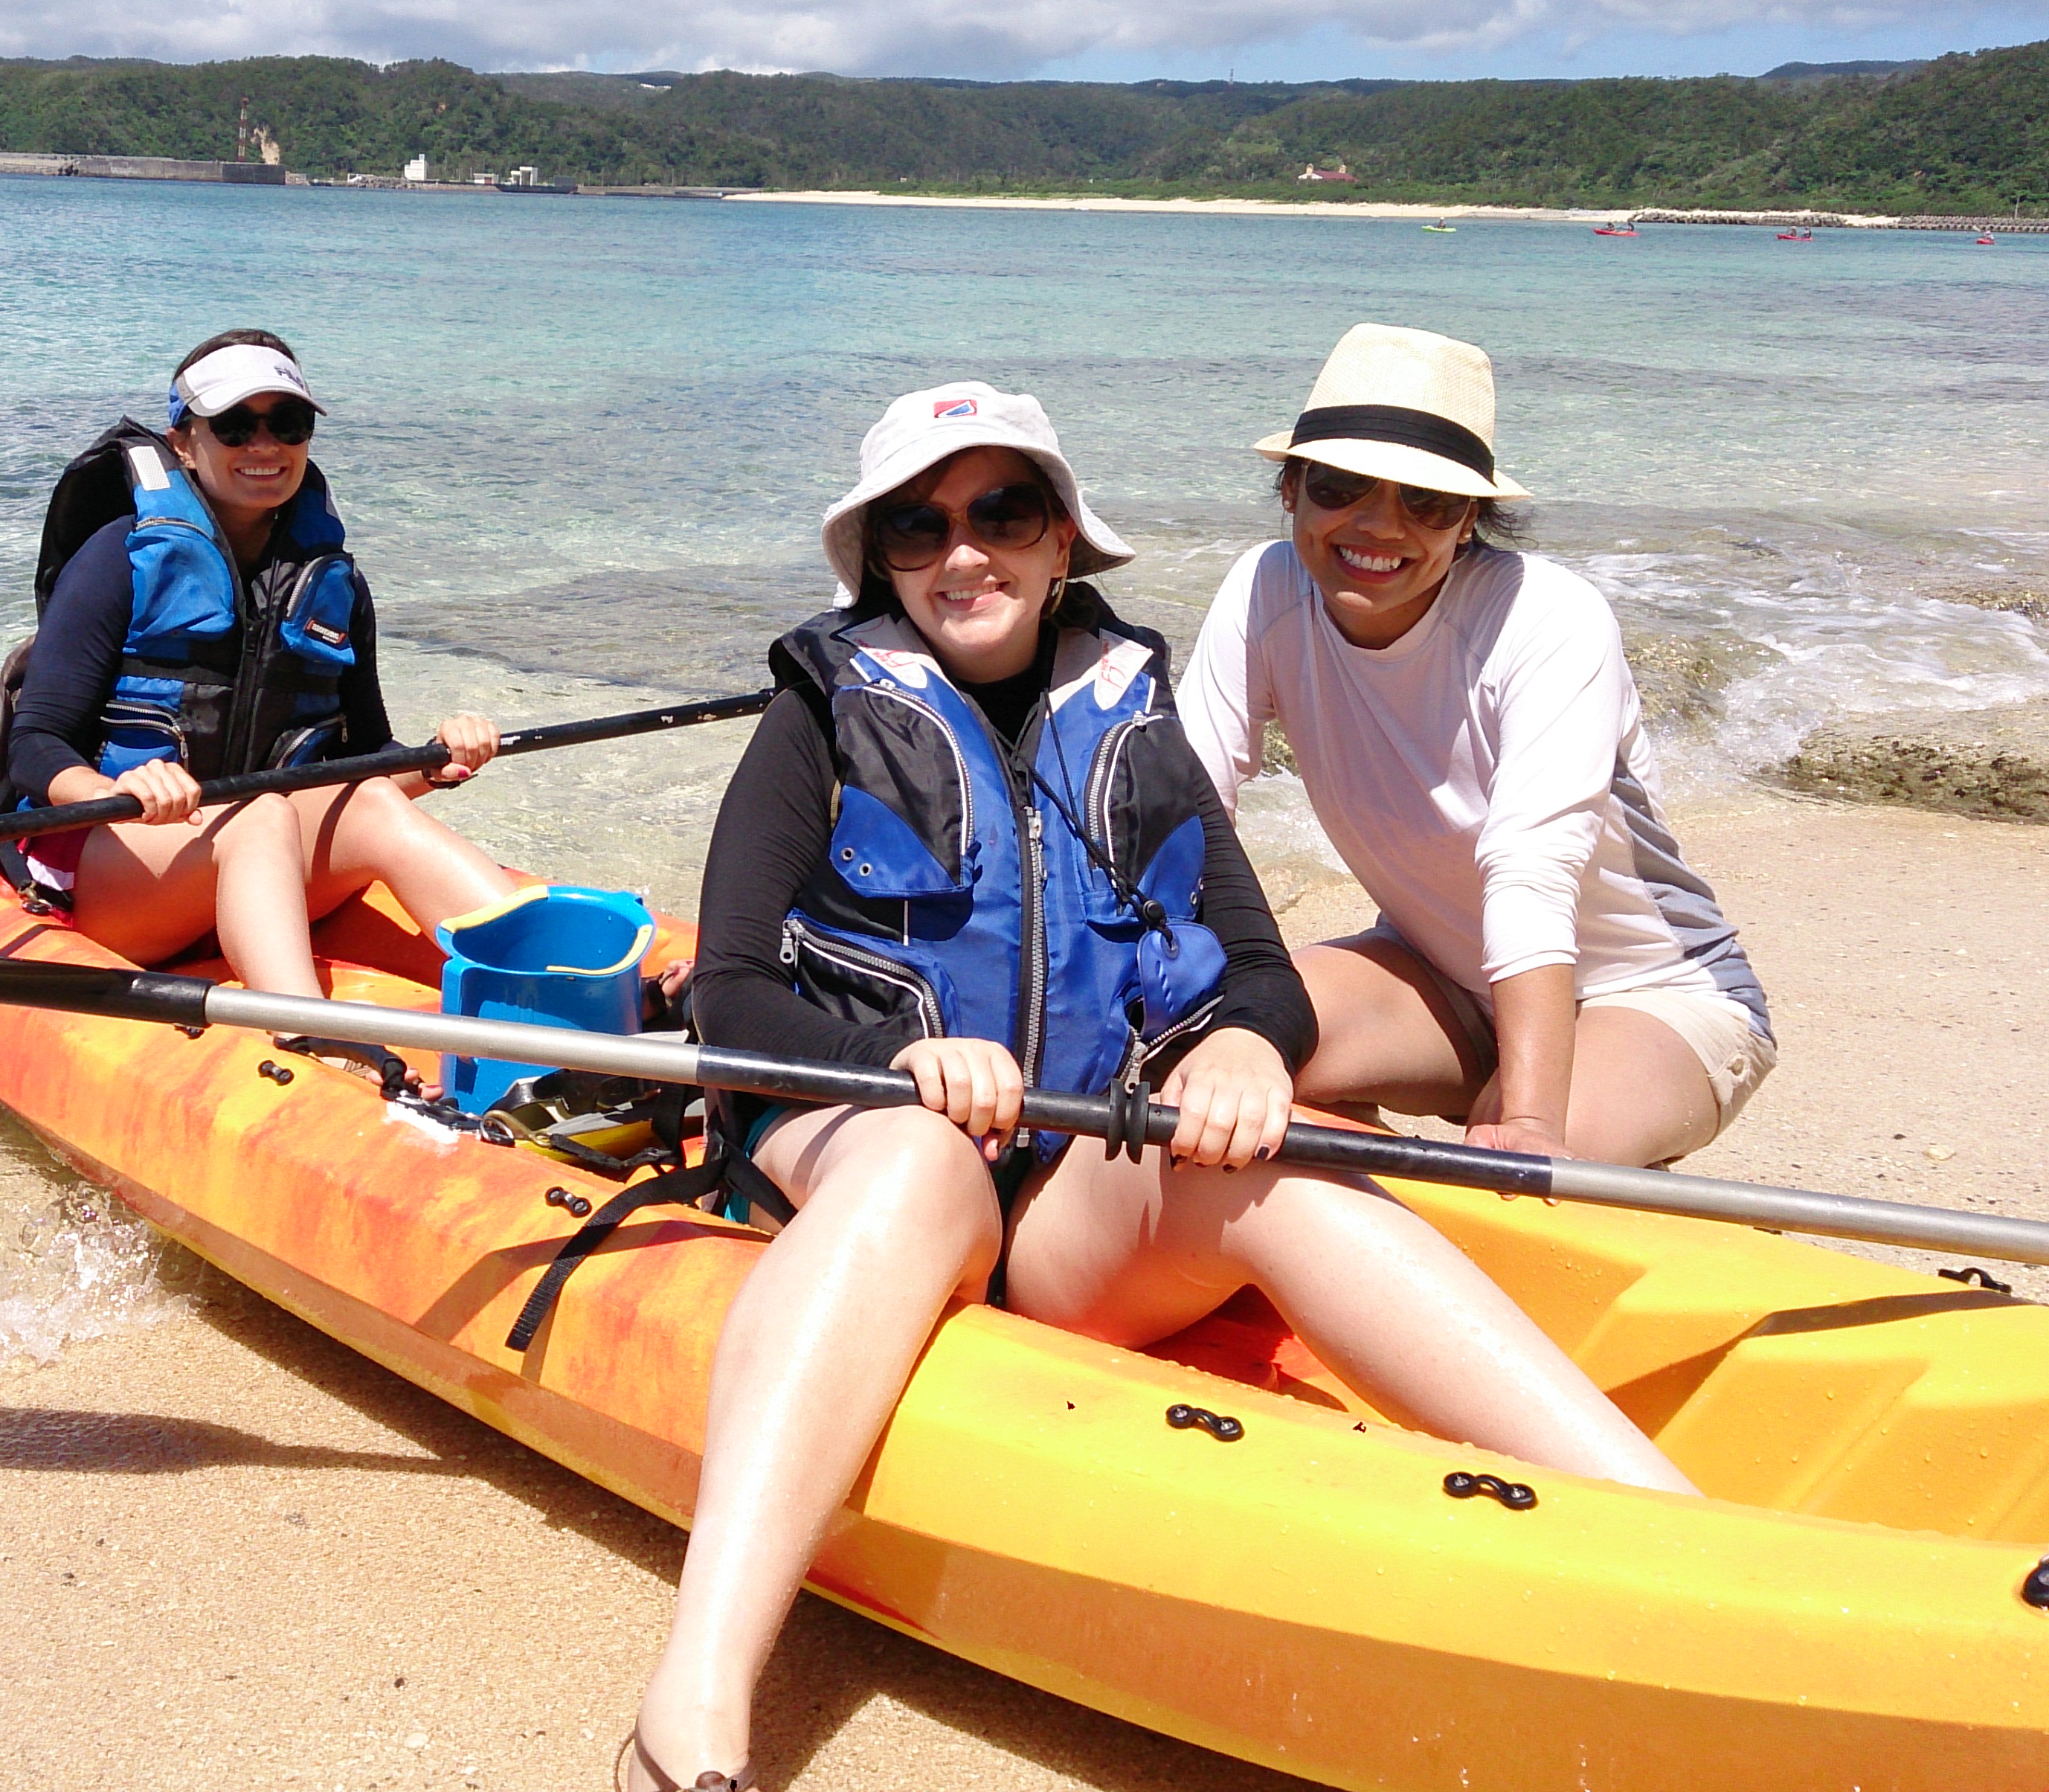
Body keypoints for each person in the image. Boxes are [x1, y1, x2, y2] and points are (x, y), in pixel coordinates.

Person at [627, 382, 1693, 1792]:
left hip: (1066, 1206)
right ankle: (692, 1708)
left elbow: (1254, 965)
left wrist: (1245, 1044)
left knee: (1282, 1162)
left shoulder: (1129, 711)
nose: (965, 552)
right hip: (867, 1167)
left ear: (1064, 537)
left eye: (1004, 512)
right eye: (918, 525)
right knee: (918, 1157)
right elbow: (737, 991)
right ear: (875, 557)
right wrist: (898, 1065)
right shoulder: (817, 713)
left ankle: (1669, 1537)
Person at [1180, 324, 1774, 1168]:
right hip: (1435, 973)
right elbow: (1187, 813)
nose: (1378, 527)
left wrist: (1528, 1123)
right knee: (1224, 1052)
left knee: (1505, 1161)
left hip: (1653, 994)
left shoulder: (1544, 619)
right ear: (1291, 489)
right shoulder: (1264, 590)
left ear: (1468, 522)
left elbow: (1530, 867)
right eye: (1343, 485)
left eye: (1425, 501)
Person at [1, 330, 518, 992]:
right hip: (123, 865)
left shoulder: (335, 586)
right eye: (235, 426)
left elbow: (363, 759)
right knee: (262, 814)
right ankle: (310, 1032)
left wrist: (435, 762)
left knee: (372, 807)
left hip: (264, 863)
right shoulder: (116, 559)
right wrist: (115, 792)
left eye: (289, 423)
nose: (266, 446)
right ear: (185, 443)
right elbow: (36, 745)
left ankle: (558, 994)